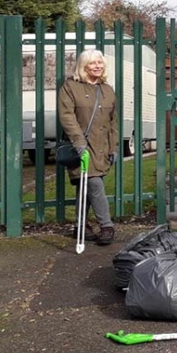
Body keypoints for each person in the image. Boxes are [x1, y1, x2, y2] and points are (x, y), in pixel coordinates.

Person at [57, 49, 118, 245]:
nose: (98, 66)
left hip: (102, 146)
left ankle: (79, 226)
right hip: (82, 144)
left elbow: (113, 121)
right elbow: (67, 116)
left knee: (88, 185)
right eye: (93, 63)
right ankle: (107, 225)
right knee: (93, 183)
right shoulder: (70, 87)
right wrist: (79, 142)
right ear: (84, 66)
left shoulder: (107, 90)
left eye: (100, 62)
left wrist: (114, 147)